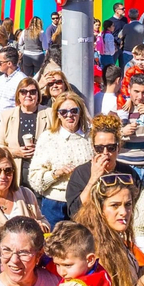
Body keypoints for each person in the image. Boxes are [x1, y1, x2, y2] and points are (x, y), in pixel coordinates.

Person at [28, 95, 91, 228]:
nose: (69, 115)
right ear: (58, 115)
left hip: (84, 202)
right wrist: (56, 173)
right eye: (63, 112)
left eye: (74, 111)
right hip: (55, 205)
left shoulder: (91, 137)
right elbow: (34, 178)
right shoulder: (48, 138)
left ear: (80, 112)